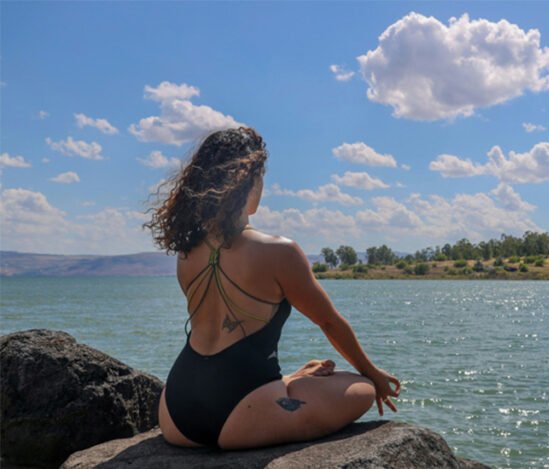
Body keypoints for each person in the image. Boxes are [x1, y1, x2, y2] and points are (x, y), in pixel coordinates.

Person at [143, 126, 400, 450]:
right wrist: (373, 374)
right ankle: (285, 384)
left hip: (175, 412)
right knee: (361, 388)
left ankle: (288, 380)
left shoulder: (187, 253)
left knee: (276, 379)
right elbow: (329, 321)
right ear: (249, 182)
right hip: (238, 414)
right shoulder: (279, 251)